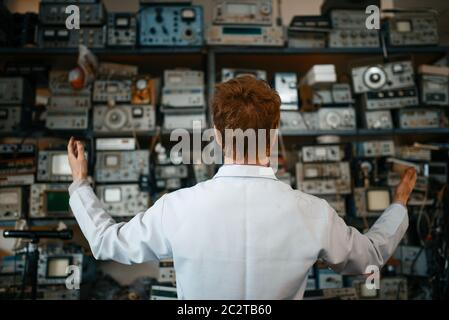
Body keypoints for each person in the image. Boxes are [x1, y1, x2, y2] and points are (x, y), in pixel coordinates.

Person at [67, 76, 417, 299]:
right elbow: (370, 257)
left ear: (217, 136)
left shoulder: (178, 207)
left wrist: (81, 184)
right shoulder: (314, 213)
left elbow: (105, 242)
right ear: (274, 134)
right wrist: (399, 203)